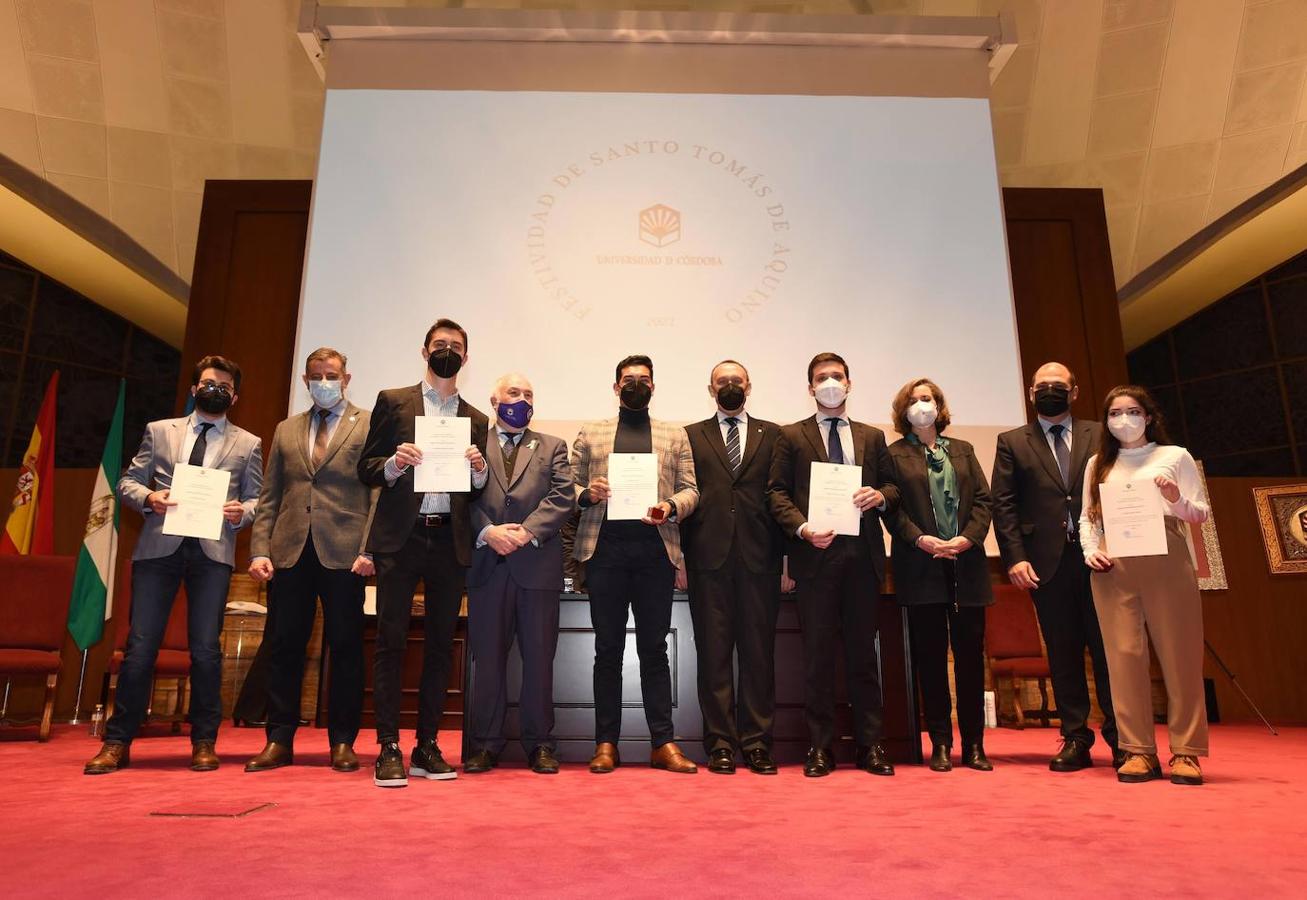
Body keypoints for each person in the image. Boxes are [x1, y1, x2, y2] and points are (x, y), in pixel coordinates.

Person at [85, 356, 262, 775]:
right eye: (207, 383)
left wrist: (243, 512)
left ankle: (203, 741)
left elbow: (258, 499)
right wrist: (150, 499)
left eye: (222, 386)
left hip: (212, 553)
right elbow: (128, 482)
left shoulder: (249, 443)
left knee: (205, 651)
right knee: (140, 648)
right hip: (158, 549)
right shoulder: (160, 431)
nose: (213, 390)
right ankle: (116, 742)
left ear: (234, 396)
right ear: (193, 389)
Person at [358, 319, 489, 788]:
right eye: (440, 345)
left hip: (448, 539)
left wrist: (478, 472)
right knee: (391, 641)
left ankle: (427, 745)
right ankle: (389, 745)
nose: (447, 352)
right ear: (424, 351)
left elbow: (475, 493)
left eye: (455, 347)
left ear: (466, 358)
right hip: (401, 537)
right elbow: (367, 467)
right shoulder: (394, 402)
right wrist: (394, 463)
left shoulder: (475, 418)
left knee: (439, 646)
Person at [244, 347, 378, 775]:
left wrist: (369, 548)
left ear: (346, 377)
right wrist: (260, 549)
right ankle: (278, 739)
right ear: (305, 380)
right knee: (284, 647)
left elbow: (378, 492)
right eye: (317, 375)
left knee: (346, 649)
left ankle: (342, 741)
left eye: (332, 374)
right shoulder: (287, 429)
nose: (325, 381)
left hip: (345, 553)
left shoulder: (370, 423)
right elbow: (270, 495)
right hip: (289, 551)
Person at [767, 352, 900, 778]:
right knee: (818, 658)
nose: (830, 383)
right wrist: (803, 529)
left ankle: (871, 746)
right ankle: (820, 748)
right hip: (815, 559)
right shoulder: (790, 436)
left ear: (849, 383)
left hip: (863, 558)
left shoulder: (872, 437)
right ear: (810, 388)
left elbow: (893, 487)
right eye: (821, 378)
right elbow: (776, 494)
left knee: (864, 656)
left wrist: (879, 497)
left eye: (837, 376)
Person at [572, 355, 700, 774]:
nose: (636, 385)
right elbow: (566, 485)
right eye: (629, 380)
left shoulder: (673, 433)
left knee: (654, 650)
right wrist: (587, 493)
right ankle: (605, 743)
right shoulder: (592, 432)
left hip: (654, 555)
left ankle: (662, 743)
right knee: (607, 650)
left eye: (644, 380)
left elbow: (691, 490)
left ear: (653, 387)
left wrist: (669, 505)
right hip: (604, 552)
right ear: (615, 387)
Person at [991, 362, 1121, 771]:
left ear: (1075, 391)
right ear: (1031, 393)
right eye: (1042, 386)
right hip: (1047, 563)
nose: (1050, 390)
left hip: (1101, 559)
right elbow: (1004, 503)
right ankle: (1076, 737)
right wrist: (1015, 556)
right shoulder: (1012, 441)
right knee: (1063, 653)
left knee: (1109, 651)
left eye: (1058, 385)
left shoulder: (1101, 432)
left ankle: (1123, 737)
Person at [1080, 385, 1210, 786]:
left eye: (1133, 411)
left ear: (1149, 416)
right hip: (1113, 566)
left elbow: (1200, 513)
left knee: (1180, 656)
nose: (1124, 419)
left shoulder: (1174, 456)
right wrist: (1089, 550)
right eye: (1115, 413)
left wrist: (1174, 499)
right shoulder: (1098, 462)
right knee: (1122, 659)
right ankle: (1137, 750)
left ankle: (1186, 752)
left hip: (1167, 561)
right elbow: (1088, 518)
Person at [677, 360, 787, 775]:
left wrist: (788, 559)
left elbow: (782, 498)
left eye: (736, 380)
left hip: (762, 559)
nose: (729, 386)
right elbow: (685, 496)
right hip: (707, 559)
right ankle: (720, 744)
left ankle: (758, 743)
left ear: (749, 386)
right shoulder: (690, 436)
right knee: (714, 655)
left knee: (760, 655)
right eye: (722, 381)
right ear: (710, 389)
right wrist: (681, 559)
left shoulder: (774, 435)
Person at [464, 373, 574, 775]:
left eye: (529, 393)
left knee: (540, 660)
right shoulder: (472, 443)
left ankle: (540, 745)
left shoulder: (552, 446)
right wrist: (487, 532)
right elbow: (460, 495)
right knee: (488, 660)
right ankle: (485, 745)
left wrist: (526, 532)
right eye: (514, 392)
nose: (522, 399)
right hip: (487, 565)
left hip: (537, 566)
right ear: (494, 401)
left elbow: (563, 495)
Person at [884, 378, 994, 773]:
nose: (921, 406)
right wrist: (921, 540)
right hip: (921, 566)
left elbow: (983, 499)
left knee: (969, 660)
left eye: (927, 399)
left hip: (967, 566)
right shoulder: (893, 455)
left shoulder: (962, 450)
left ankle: (976, 745)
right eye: (913, 400)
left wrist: (967, 539)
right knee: (930, 660)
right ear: (903, 410)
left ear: (939, 405)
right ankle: (941, 743)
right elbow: (892, 510)